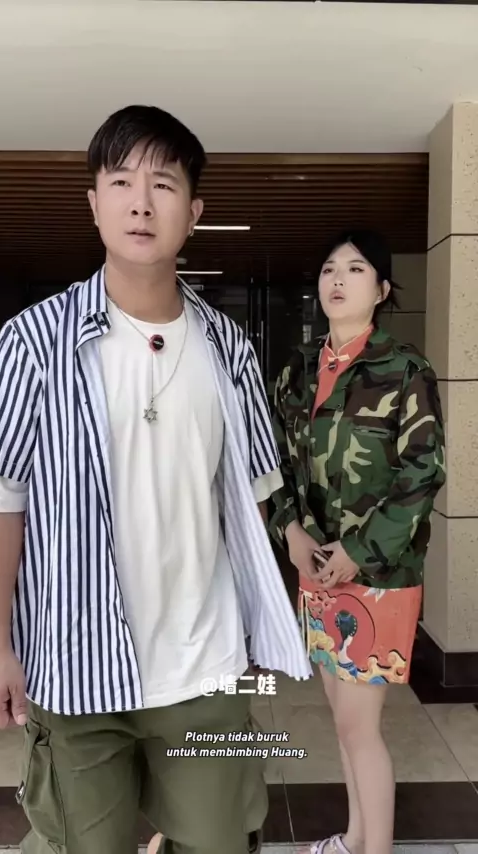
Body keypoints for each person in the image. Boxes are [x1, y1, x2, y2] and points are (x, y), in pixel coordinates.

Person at [0, 104, 312, 854]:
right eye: (121, 181)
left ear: (193, 212)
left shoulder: (228, 346)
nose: (141, 202)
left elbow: (254, 489)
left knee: (221, 841)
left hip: (206, 669)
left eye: (163, 184)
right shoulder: (33, 343)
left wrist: (274, 600)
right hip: (73, 665)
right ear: (94, 204)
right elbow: (4, 500)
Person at [269, 229, 446, 854]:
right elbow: (276, 468)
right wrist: (290, 531)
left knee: (359, 727)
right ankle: (354, 838)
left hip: (378, 576)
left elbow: (422, 474)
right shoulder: (297, 371)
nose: (338, 278)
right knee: (341, 721)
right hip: (316, 570)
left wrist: (358, 552)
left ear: (382, 289)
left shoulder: (405, 370)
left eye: (355, 268)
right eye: (328, 268)